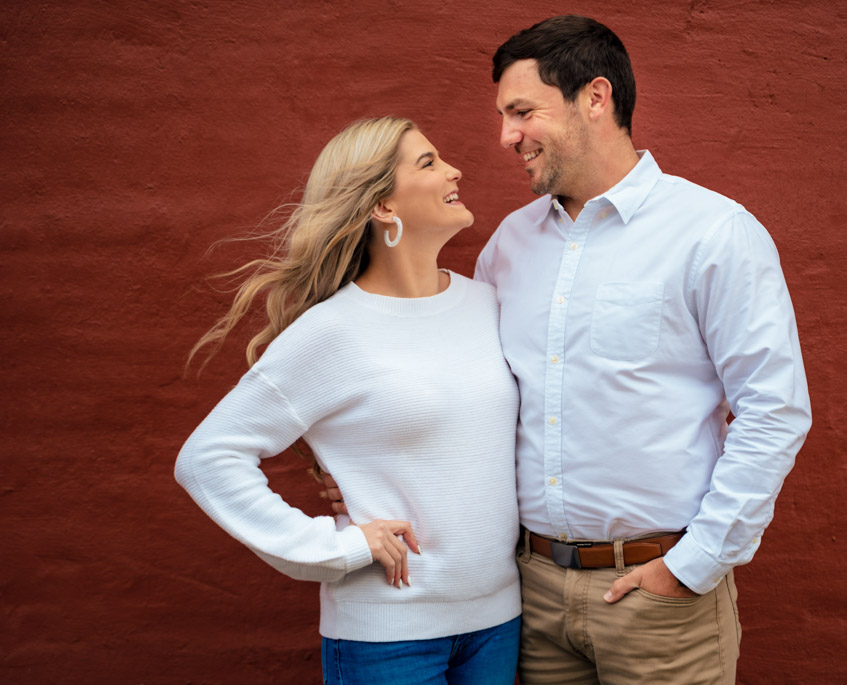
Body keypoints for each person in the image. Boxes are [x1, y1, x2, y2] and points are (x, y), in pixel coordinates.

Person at [477, 15, 811, 685]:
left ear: (594, 99)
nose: (506, 135)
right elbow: (471, 396)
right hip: (531, 597)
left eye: (522, 112)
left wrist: (694, 565)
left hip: (661, 602)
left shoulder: (712, 233)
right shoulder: (507, 246)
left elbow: (774, 409)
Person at [175, 117, 522, 685]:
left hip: (500, 622)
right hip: (388, 635)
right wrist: (332, 547)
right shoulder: (332, 332)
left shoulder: (487, 304)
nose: (455, 169)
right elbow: (207, 458)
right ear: (384, 207)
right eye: (429, 163)